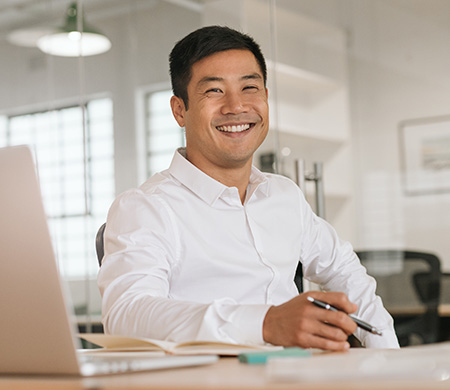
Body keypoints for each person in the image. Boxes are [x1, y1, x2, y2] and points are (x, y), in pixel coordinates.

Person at [98, 25, 399, 350]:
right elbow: (127, 313)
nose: (236, 106)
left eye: (250, 87)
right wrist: (265, 324)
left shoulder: (285, 196)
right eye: (214, 91)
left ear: (266, 97)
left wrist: (390, 359)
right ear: (180, 110)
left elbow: (344, 269)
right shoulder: (146, 208)